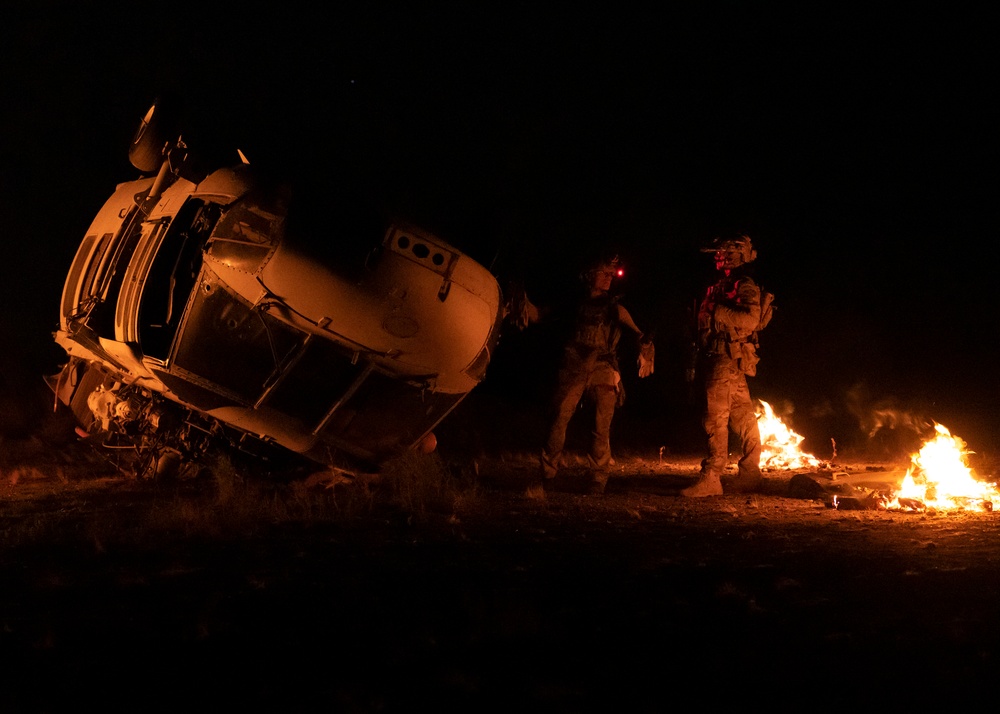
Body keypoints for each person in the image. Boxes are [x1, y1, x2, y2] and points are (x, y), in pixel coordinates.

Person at [516, 254, 654, 495]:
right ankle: (548, 474)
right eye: (604, 273)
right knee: (559, 417)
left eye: (612, 274)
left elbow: (638, 334)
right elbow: (538, 315)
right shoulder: (573, 303)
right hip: (574, 366)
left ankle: (598, 478)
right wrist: (522, 304)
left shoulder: (615, 308)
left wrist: (645, 346)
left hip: (603, 368)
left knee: (602, 424)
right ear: (590, 275)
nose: (610, 278)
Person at [681, 234, 765, 497]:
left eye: (726, 254)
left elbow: (751, 320)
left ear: (738, 257)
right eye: (719, 254)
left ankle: (712, 476)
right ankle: (751, 473)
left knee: (715, 417)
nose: (719, 258)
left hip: (726, 358)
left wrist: (719, 312)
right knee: (743, 416)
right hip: (718, 357)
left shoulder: (745, 285)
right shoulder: (720, 285)